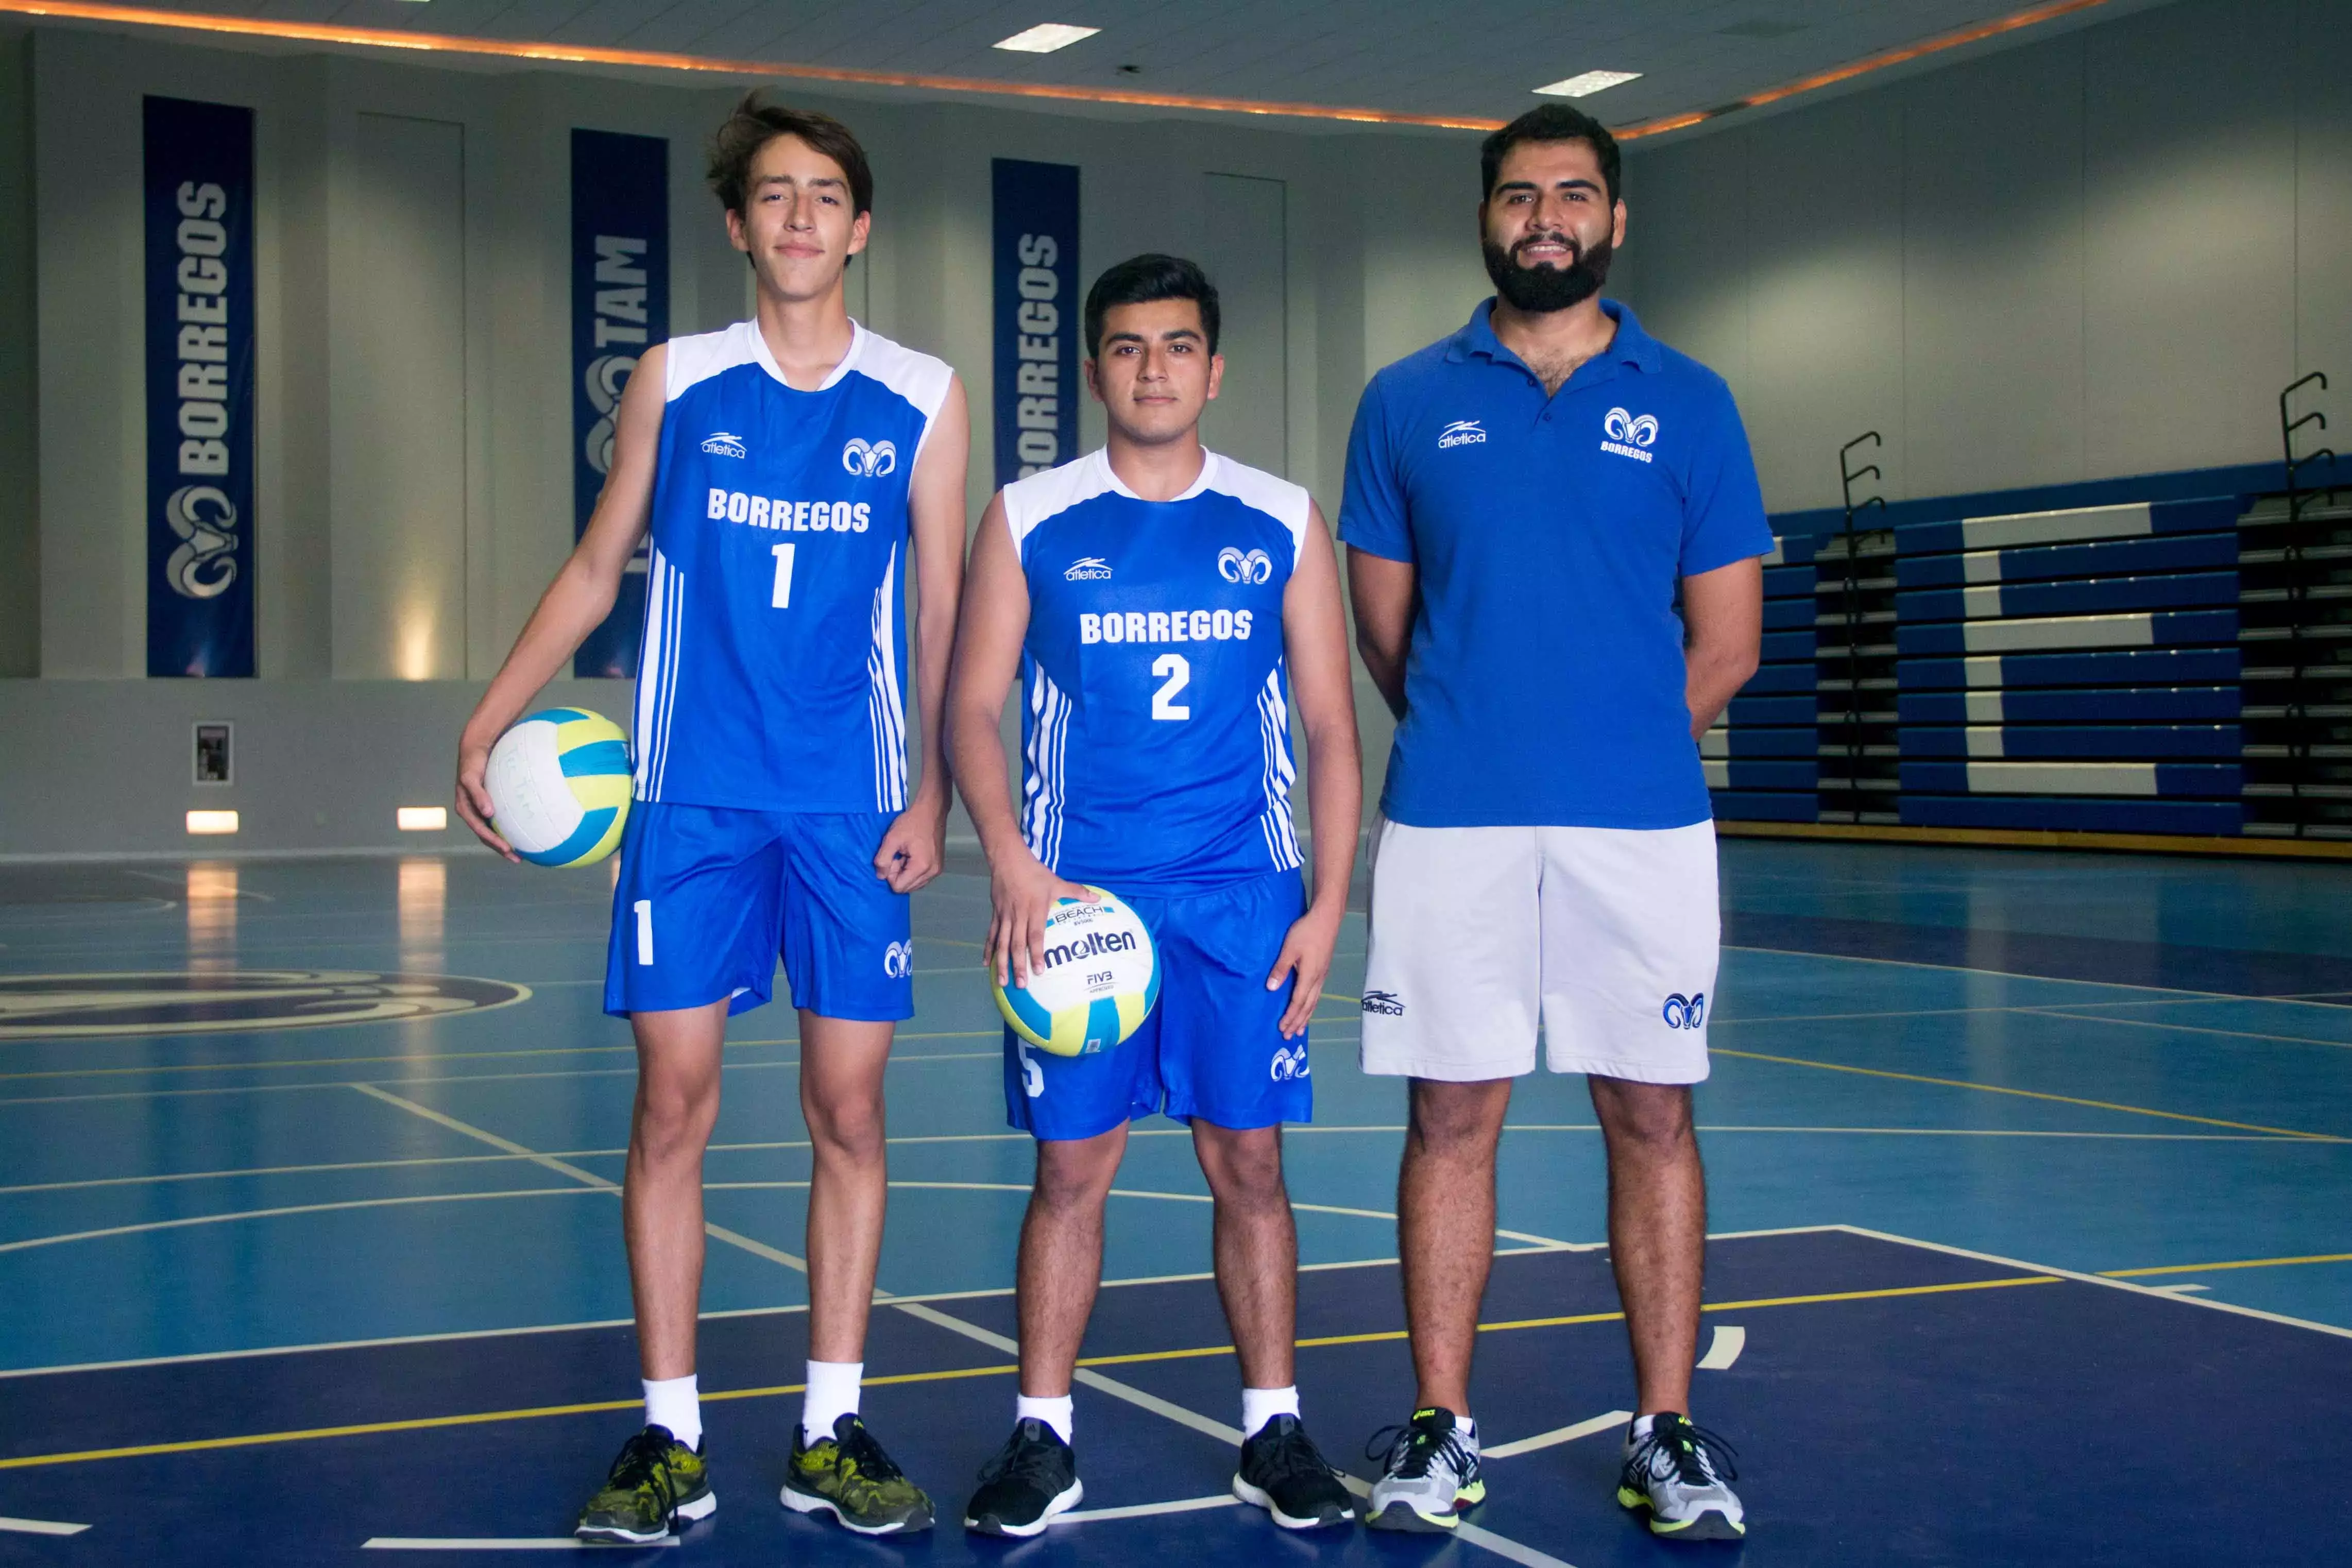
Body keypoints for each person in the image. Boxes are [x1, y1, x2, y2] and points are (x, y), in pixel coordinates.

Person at [453, 95, 968, 1543]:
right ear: (737, 224)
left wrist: (933, 784)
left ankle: (829, 1423)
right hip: (686, 799)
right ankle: (667, 1432)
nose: (799, 216)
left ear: (858, 228)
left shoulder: (923, 394)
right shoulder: (676, 378)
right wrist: (490, 712)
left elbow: (941, 612)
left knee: (846, 1109)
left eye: (824, 195)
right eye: (772, 195)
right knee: (670, 1106)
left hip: (854, 803)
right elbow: (598, 560)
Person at [1341, 104, 1768, 1542]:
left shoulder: (1691, 399)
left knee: (1649, 1113)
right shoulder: (1403, 398)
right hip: (1450, 814)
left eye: (1571, 196)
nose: (1544, 218)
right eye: (1518, 195)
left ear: (1613, 220)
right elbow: (1384, 631)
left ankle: (1664, 1427)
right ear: (1482, 217)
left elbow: (1725, 643)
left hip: (1638, 823)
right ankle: (1437, 1422)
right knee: (1447, 1115)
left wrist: (1614, 742)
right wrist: (1481, 726)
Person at [945, 254, 1362, 1538]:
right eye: (1127, 348)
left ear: (1214, 367)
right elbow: (970, 707)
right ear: (1094, 369)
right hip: (1078, 906)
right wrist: (1011, 861)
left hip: (1244, 895)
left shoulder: (1282, 518)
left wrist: (1330, 903)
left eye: (1178, 345)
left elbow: (1337, 732)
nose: (1154, 369)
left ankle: (1272, 1428)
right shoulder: (1028, 515)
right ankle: (1043, 1435)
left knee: (1252, 1164)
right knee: (1073, 1171)